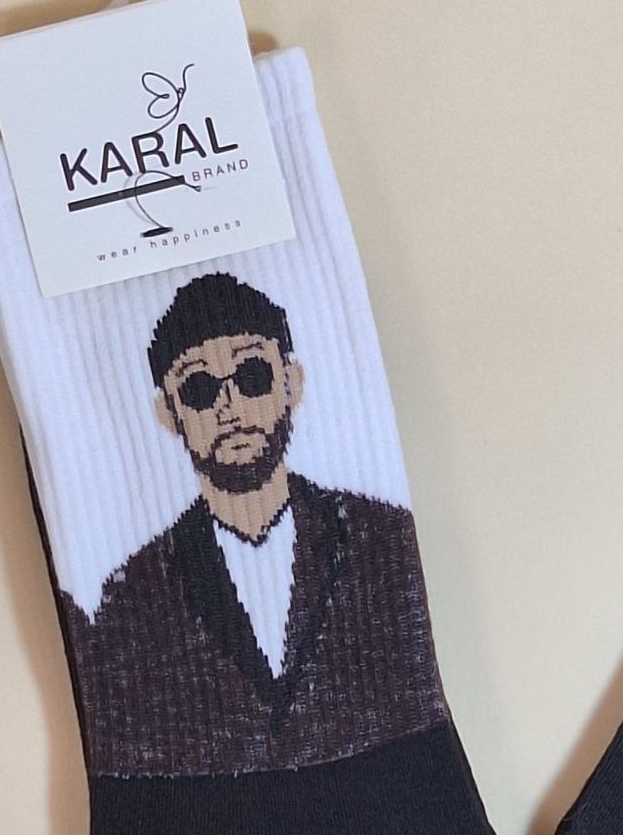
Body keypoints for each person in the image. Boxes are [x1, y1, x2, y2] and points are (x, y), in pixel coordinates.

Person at [59, 271, 447, 777]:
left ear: (292, 383)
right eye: (199, 389)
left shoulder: (382, 539)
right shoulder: (130, 596)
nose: (229, 407)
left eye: (252, 376)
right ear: (168, 414)